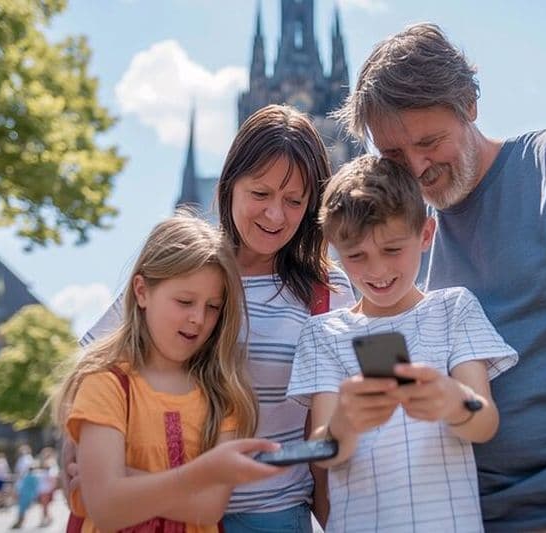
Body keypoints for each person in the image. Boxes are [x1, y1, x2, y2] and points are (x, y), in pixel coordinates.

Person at [333, 22, 546, 532]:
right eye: (392, 156)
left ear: (469, 104)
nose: (416, 168)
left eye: (430, 141)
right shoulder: (397, 250)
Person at [77, 104, 355, 532]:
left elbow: (332, 430)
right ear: (229, 185)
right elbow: (93, 363)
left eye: (294, 201)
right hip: (163, 512)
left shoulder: (327, 292)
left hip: (271, 516)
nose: (275, 215)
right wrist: (80, 461)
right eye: (260, 194)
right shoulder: (188, 267)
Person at [288, 154, 518, 531]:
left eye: (392, 250)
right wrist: (345, 421)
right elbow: (323, 452)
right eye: (356, 256)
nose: (377, 270)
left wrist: (452, 400)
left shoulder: (454, 309)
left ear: (426, 235)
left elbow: (485, 421)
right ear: (334, 249)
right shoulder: (322, 334)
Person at [53, 211, 286, 532]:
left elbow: (208, 508)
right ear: (142, 291)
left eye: (212, 307)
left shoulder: (222, 395)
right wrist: (200, 475)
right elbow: (106, 507)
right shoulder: (105, 384)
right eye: (185, 301)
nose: (198, 318)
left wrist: (124, 479)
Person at [11, 461, 40, 529]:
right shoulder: (35, 477)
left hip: (24, 495)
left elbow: (20, 486)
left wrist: (16, 493)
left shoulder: (26, 477)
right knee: (23, 510)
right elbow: (36, 487)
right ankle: (20, 522)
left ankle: (20, 522)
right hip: (29, 495)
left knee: (21, 510)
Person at [36, 447, 59, 527]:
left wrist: (53, 487)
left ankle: (45, 519)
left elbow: (53, 476)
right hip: (43, 488)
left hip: (46, 488)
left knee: (44, 505)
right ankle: (47, 518)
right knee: (44, 505)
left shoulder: (51, 464)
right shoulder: (44, 464)